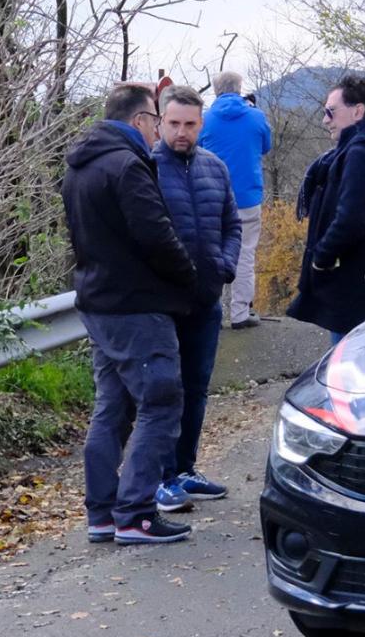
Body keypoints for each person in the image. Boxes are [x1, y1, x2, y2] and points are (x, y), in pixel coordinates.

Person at [62, 83, 199, 545]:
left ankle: (101, 513)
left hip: (97, 303)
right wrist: (189, 277)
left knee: (113, 407)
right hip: (137, 306)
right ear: (142, 120)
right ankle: (136, 514)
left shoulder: (79, 167)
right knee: (161, 402)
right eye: (157, 121)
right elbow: (155, 234)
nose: (159, 132)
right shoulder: (127, 166)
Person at [150, 85, 241, 512]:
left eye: (189, 124)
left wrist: (225, 266)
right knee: (165, 391)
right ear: (160, 122)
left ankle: (186, 468)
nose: (181, 132)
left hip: (207, 299)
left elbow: (232, 225)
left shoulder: (215, 168)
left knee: (197, 388)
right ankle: (162, 477)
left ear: (201, 124)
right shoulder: (146, 167)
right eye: (174, 124)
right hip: (164, 303)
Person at [287, 74, 365, 345]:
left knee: (345, 370)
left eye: (331, 111)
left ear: (357, 111)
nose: (325, 119)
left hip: (354, 288)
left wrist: (321, 258)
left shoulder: (360, 153)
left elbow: (350, 220)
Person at [198, 71, 272, 329]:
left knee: (211, 253)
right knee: (245, 255)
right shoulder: (256, 117)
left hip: (213, 196)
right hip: (247, 197)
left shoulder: (205, 119)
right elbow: (265, 146)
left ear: (216, 90)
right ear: (240, 88)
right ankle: (240, 313)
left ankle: (212, 312)